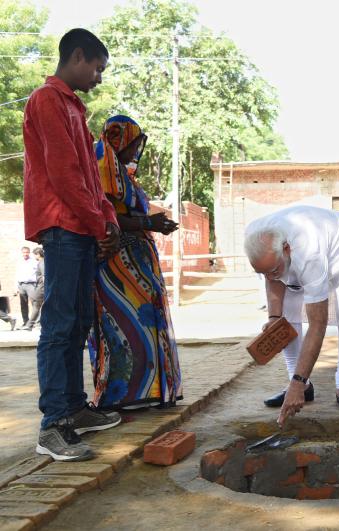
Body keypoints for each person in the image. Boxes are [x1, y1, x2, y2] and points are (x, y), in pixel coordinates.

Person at [23, 28, 122, 461]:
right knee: (60, 326)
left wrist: (108, 218)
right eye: (97, 68)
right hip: (63, 227)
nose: (99, 77)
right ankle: (53, 425)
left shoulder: (74, 108)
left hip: (80, 226)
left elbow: (89, 178)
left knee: (79, 320)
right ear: (78, 56)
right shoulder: (46, 100)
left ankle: (75, 408)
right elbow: (64, 175)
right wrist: (99, 225)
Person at [243, 205, 339, 427]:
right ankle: (302, 386)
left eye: (274, 269)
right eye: (263, 272)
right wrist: (274, 318)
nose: (269, 276)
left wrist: (296, 384)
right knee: (287, 316)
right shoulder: (255, 236)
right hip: (300, 250)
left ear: (287, 249)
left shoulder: (309, 254)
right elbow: (272, 278)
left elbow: (318, 324)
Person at [87, 115, 182, 410]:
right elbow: (106, 215)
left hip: (137, 258)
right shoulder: (103, 167)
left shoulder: (124, 174)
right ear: (120, 140)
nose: (135, 151)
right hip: (117, 261)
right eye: (133, 144)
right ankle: (123, 395)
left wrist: (153, 224)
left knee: (146, 322)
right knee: (122, 326)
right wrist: (147, 222)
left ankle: (147, 391)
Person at [21, 247, 45, 331]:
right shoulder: (42, 262)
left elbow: (44, 276)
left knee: (36, 306)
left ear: (38, 254)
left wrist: (46, 288)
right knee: (37, 306)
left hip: (41, 288)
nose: (34, 257)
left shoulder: (41, 263)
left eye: (35, 255)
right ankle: (30, 325)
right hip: (41, 287)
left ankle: (30, 325)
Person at [16, 246, 39, 328]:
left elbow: (38, 273)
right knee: (23, 304)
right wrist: (16, 287)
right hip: (21, 285)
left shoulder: (34, 262)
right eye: (24, 252)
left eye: (27, 252)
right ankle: (25, 321)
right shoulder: (19, 262)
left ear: (29, 253)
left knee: (35, 303)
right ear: (22, 253)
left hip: (31, 285)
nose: (25, 254)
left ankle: (35, 322)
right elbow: (17, 274)